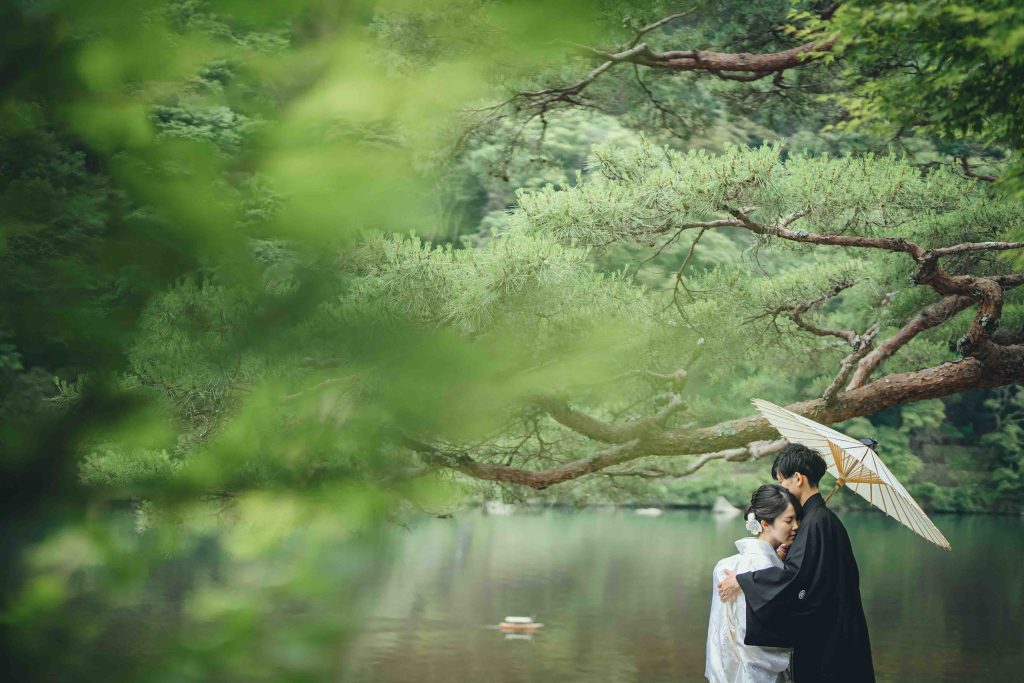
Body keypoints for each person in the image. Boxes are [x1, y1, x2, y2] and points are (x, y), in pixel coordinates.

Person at [717, 443, 875, 683]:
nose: (782, 488)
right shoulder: (819, 520)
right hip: (839, 631)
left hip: (829, 640)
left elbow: (796, 579)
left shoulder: (815, 523)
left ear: (798, 479)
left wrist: (743, 580)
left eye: (782, 481)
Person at [706, 484, 801, 683]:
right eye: (789, 520)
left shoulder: (730, 565)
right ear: (765, 524)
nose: (796, 527)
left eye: (797, 519)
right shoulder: (760, 566)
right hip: (754, 673)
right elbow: (748, 640)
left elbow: (719, 637)